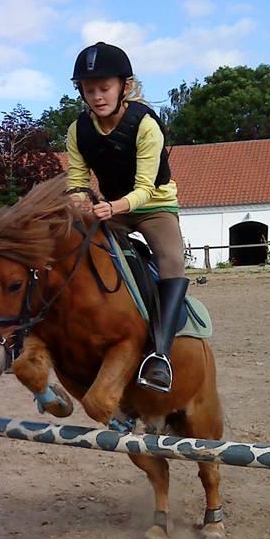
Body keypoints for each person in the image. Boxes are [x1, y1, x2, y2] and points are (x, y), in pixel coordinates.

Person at [65, 41, 187, 393]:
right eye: (90, 90)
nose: (98, 96)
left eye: (105, 88)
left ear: (125, 87)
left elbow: (146, 189)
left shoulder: (146, 125)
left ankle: (160, 356)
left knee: (171, 261)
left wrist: (112, 207)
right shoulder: (78, 130)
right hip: (109, 207)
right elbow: (77, 180)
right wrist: (78, 201)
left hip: (154, 206)